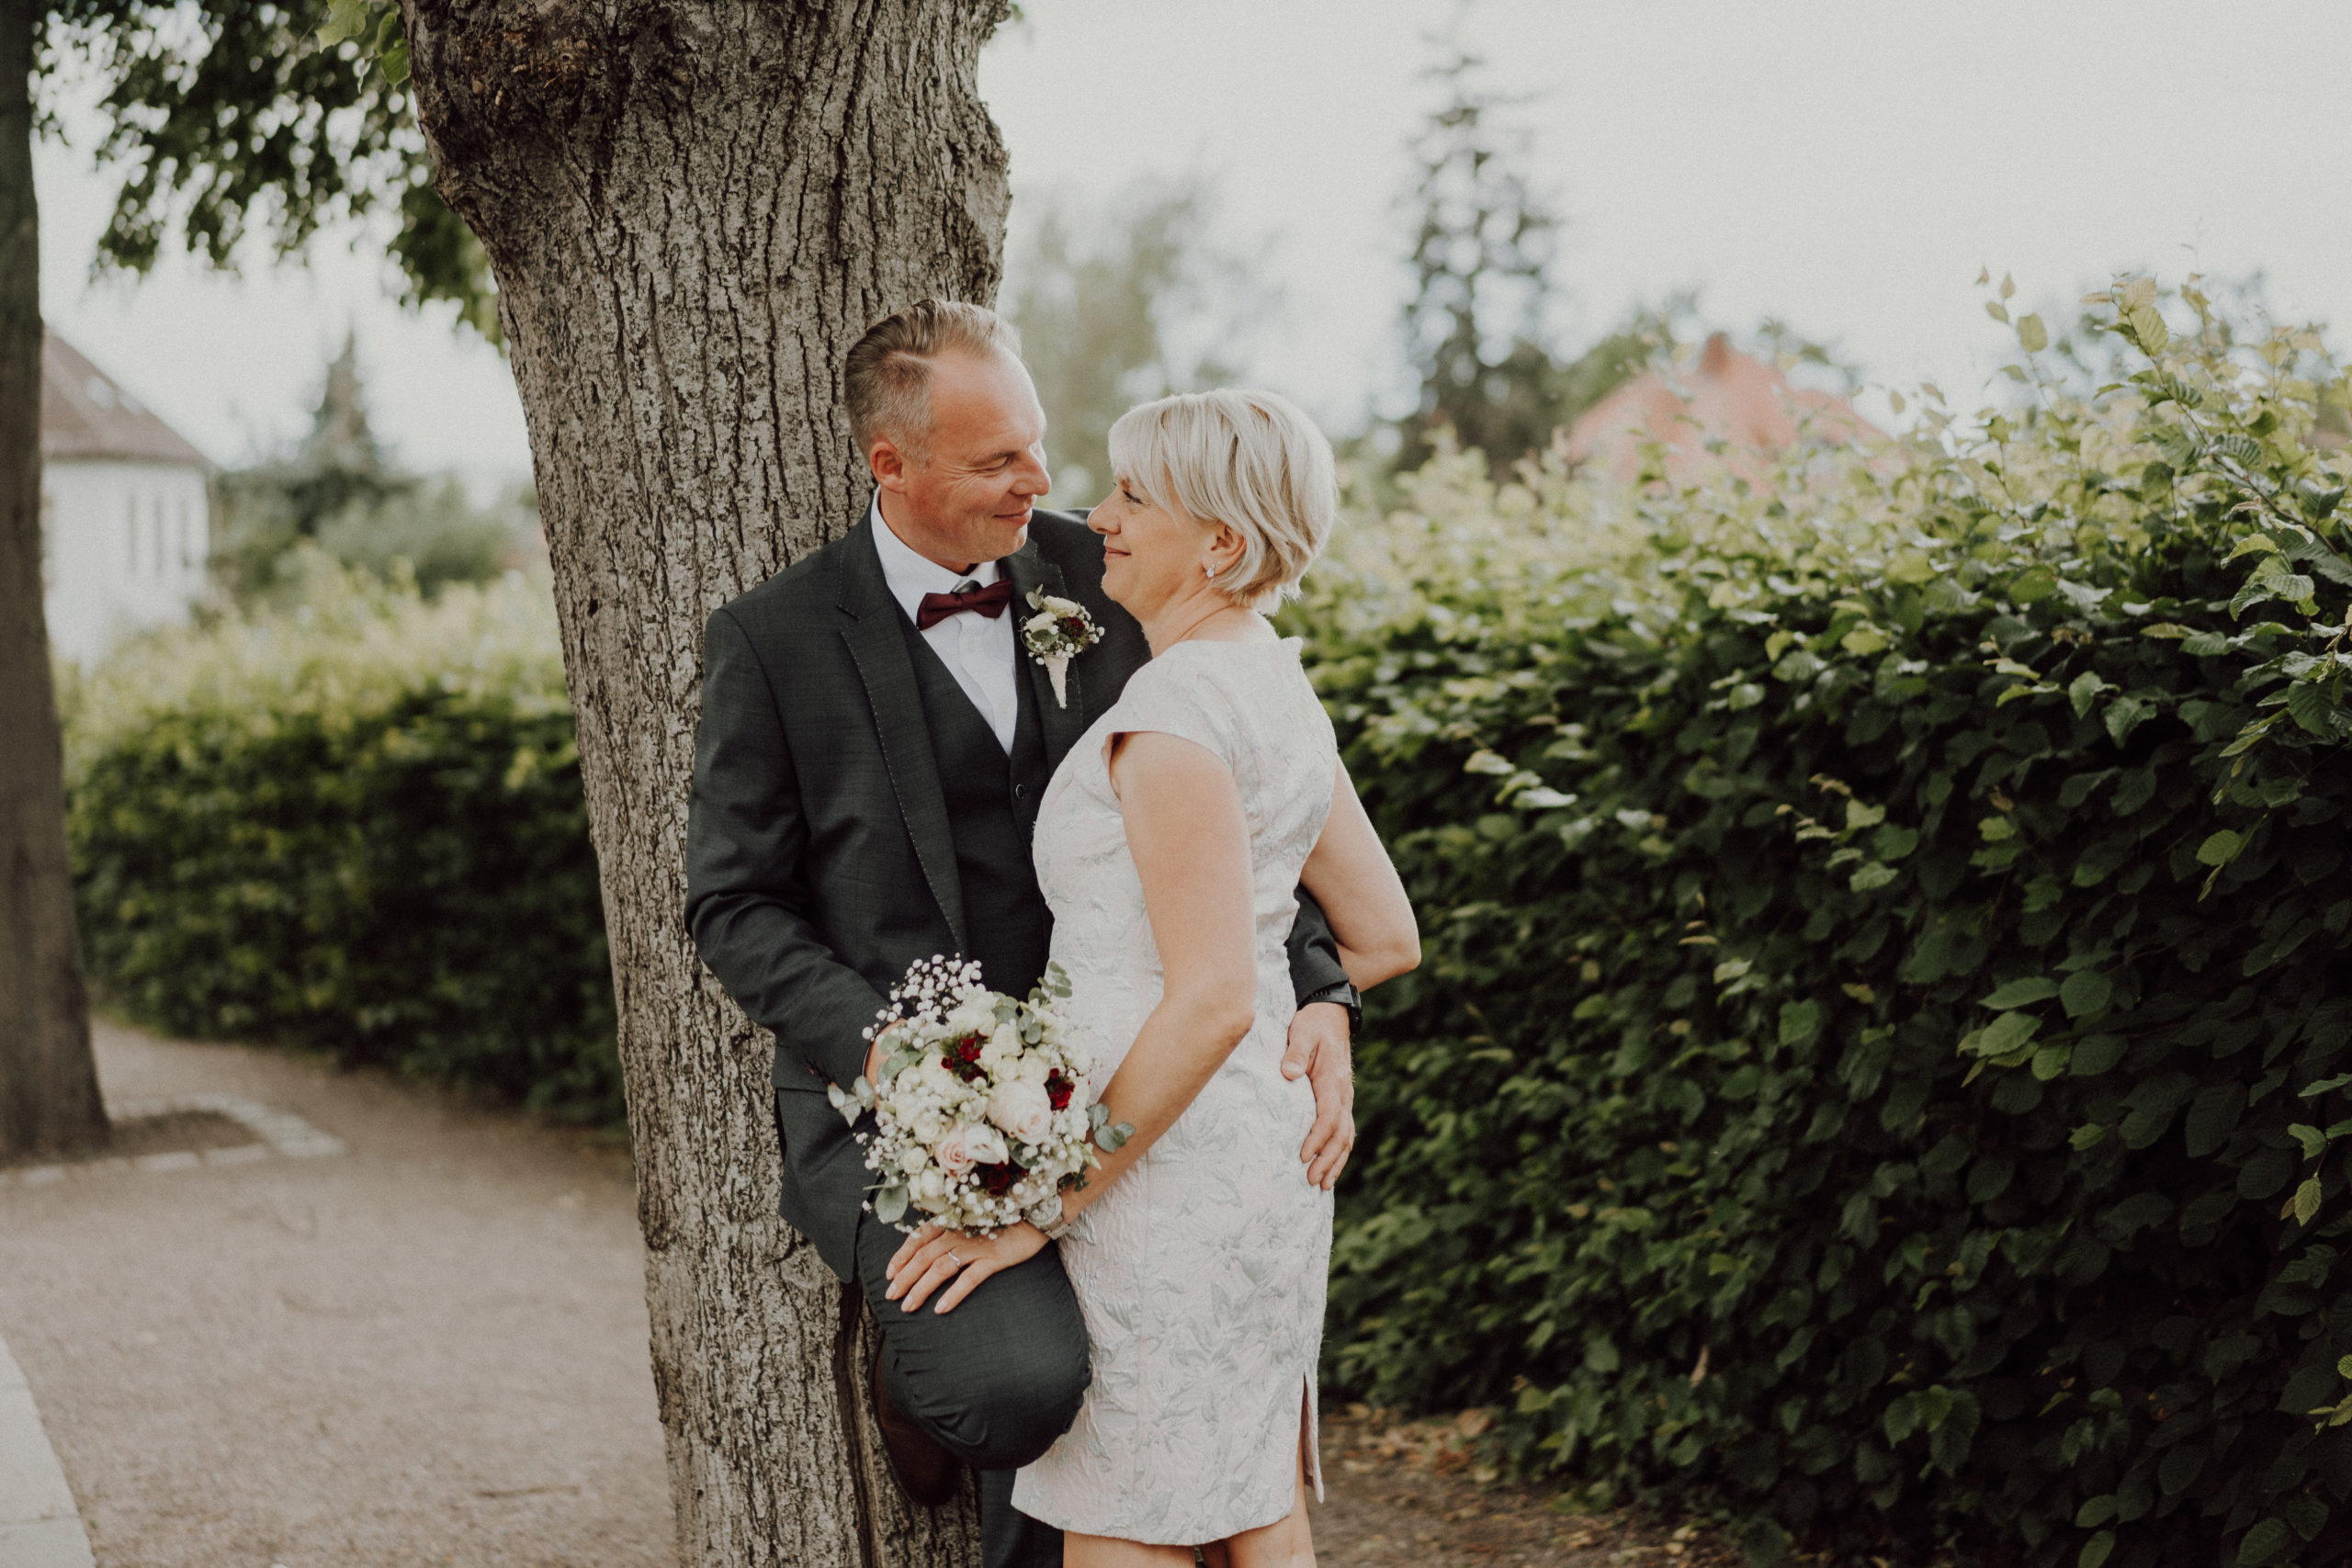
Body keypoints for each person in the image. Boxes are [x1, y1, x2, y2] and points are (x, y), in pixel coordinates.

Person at [683, 301, 1365, 1568]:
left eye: (1040, 444)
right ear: (895, 465)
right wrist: (888, 1055)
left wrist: (1318, 990)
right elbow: (732, 901)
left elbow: (1250, 793)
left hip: (1133, 1071)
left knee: (1154, 1394)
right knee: (1013, 1378)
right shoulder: (774, 640)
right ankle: (935, 1377)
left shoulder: (1114, 570)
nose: (1043, 482)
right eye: (1001, 459)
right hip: (905, 1101)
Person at [883, 389, 1419, 1566]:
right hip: (1252, 1163)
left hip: (1157, 1183)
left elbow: (1217, 994)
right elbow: (1380, 934)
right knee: (1250, 1498)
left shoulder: (1173, 715)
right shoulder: (1271, 681)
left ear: (1220, 543)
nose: (1100, 514)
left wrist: (1044, 1207)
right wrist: (1322, 1008)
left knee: (1128, 1524)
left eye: (1133, 496)